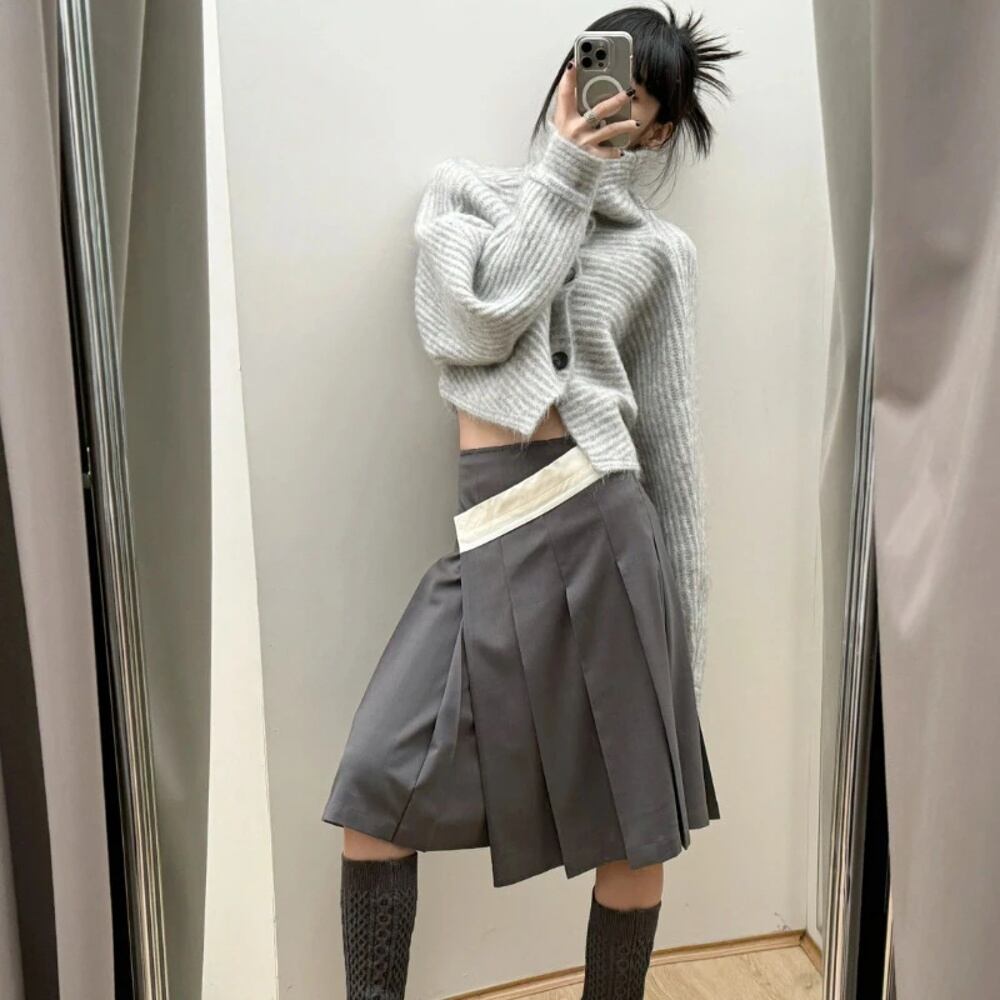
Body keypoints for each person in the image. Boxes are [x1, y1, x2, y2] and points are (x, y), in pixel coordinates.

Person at [322, 4, 741, 997]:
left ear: (657, 133)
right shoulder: (466, 195)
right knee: (376, 783)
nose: (607, 101)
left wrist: (686, 646)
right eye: (595, 73)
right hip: (492, 532)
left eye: (636, 98)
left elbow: (671, 449)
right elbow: (474, 326)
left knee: (637, 828)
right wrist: (564, 173)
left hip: (608, 531)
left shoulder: (660, 253)